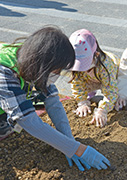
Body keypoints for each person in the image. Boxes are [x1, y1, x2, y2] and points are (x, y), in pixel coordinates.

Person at [0, 27, 110, 171]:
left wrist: (69, 141)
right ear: (43, 65)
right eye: (57, 71)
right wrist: (79, 149)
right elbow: (28, 121)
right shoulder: (5, 72)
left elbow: (52, 102)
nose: (57, 75)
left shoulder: (32, 58)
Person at [69, 29, 119, 128]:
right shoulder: (78, 68)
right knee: (82, 82)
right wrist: (82, 101)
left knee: (116, 94)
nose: (82, 67)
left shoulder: (106, 66)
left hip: (111, 74)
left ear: (96, 54)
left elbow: (111, 91)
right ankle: (89, 95)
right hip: (91, 77)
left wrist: (103, 109)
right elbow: (76, 83)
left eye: (85, 62)